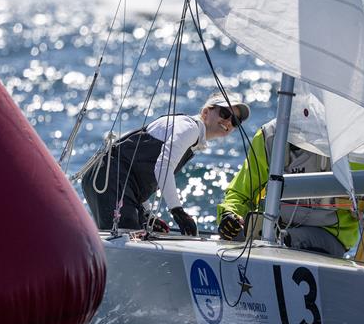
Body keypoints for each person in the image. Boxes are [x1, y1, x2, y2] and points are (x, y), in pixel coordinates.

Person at [82, 94, 250, 235]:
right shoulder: (189, 128)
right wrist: (178, 211)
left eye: (235, 120)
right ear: (206, 112)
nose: (228, 122)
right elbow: (162, 166)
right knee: (127, 241)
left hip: (114, 180)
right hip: (108, 178)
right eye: (224, 113)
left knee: (136, 236)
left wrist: (146, 214)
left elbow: (140, 168)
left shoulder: (191, 133)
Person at [216, 119, 361, 257]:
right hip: (274, 231)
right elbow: (241, 193)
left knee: (281, 242)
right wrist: (229, 214)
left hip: (328, 233)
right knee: (239, 239)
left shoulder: (343, 139)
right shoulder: (269, 136)